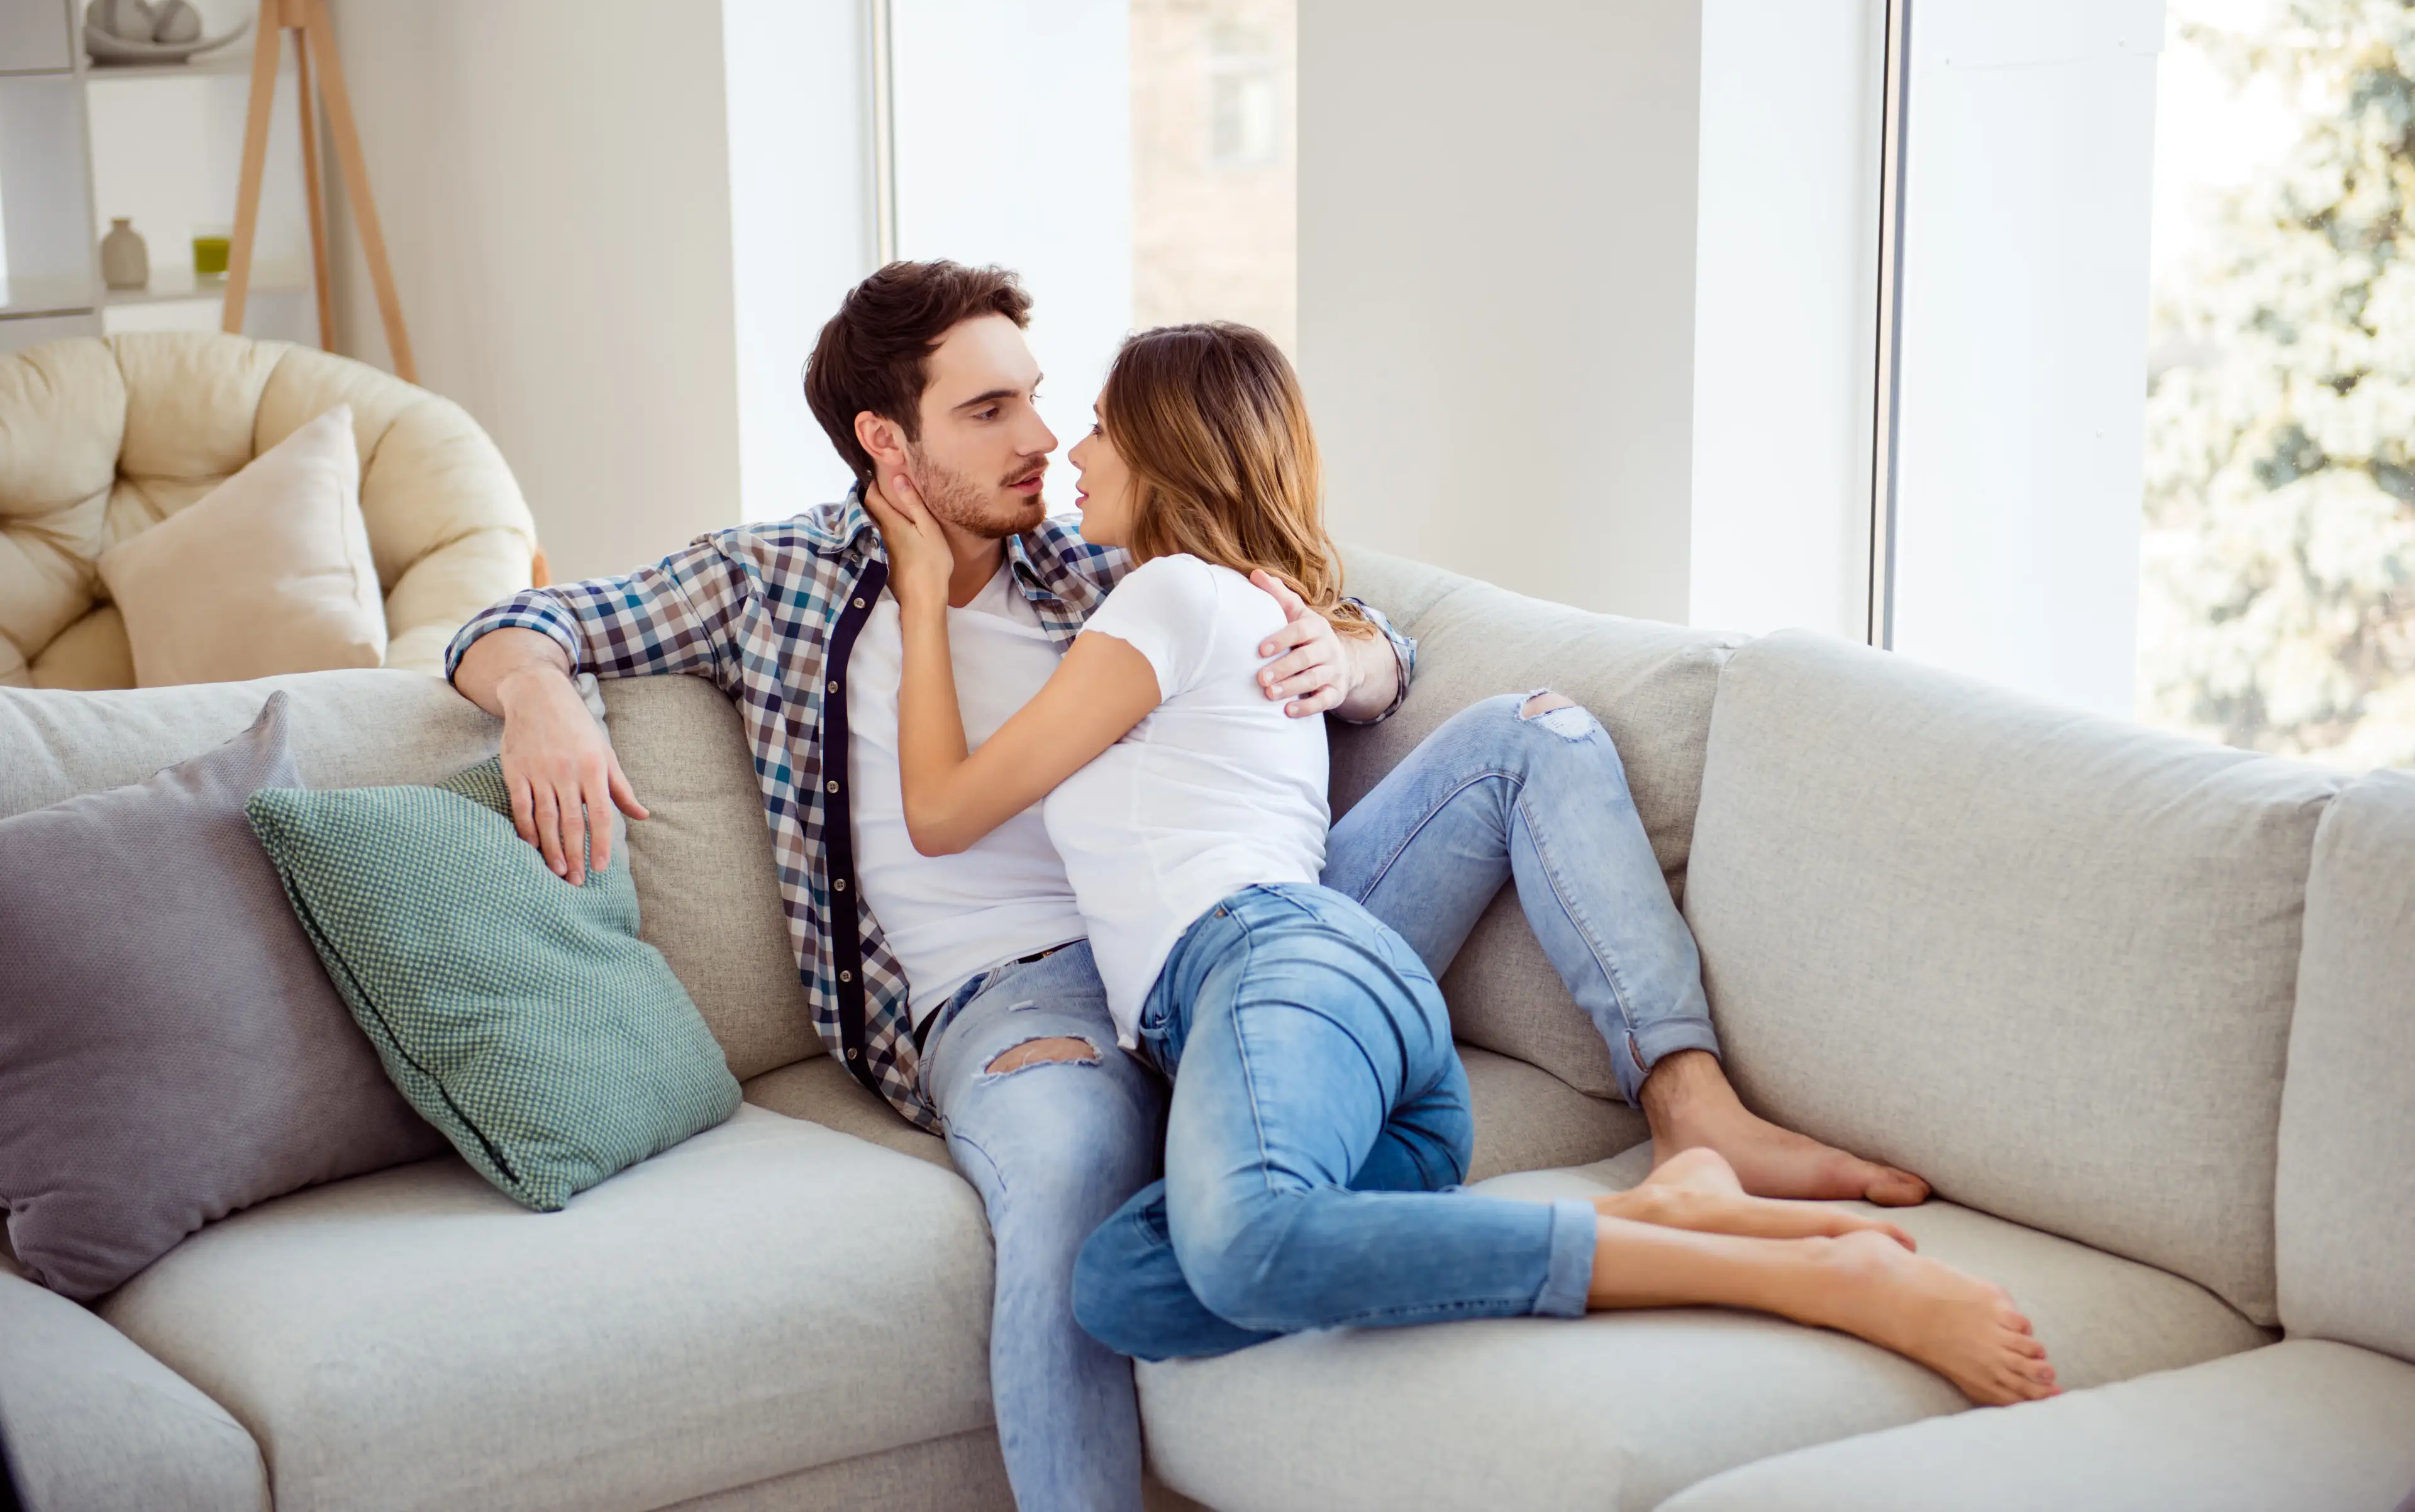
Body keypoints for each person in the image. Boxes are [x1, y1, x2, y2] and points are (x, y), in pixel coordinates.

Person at [447, 262, 1976, 1512]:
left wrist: (1367, 654)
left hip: (1237, 941)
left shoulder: (1085, 564)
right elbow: (529, 616)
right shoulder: (775, 578)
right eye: (993, 411)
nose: (1043, 439)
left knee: (1531, 738)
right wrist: (537, 695)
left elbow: (1309, 593)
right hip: (1018, 998)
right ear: (884, 444)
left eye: (1044, 400)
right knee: (1070, 1200)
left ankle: (1690, 1105)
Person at [861, 318, 2062, 1409]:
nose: (1072, 449)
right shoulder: (1239, 599)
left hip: (1268, 962)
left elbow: (947, 810)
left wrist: (921, 598)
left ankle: (1798, 1271)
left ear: (1170, 448)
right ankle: (1662, 1201)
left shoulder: (1166, 595)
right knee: (1124, 1282)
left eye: (1104, 423)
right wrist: (1347, 642)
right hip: (1357, 1034)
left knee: (1243, 1248)